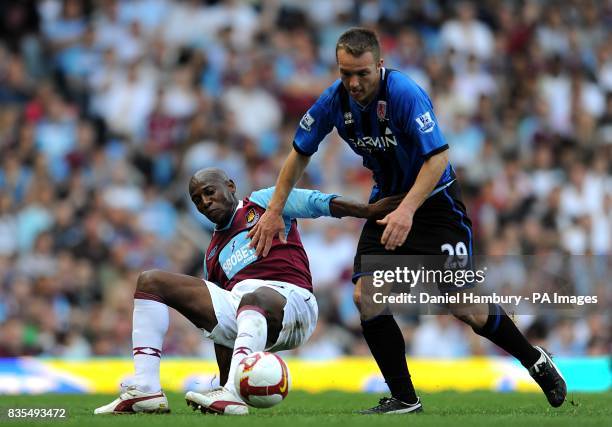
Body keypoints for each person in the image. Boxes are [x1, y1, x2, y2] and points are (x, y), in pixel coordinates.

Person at [248, 27, 566, 414]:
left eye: (362, 73)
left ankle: (534, 359)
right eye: (345, 73)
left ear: (379, 66)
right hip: (387, 206)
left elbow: (438, 159)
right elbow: (299, 153)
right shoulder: (333, 100)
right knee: (367, 298)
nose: (353, 82)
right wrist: (274, 210)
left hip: (435, 206)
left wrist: (408, 210)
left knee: (464, 307)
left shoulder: (404, 94)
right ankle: (404, 397)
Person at [94, 167, 402, 415]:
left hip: (294, 305)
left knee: (252, 296)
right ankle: (147, 389)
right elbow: (221, 326)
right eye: (197, 200)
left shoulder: (263, 202)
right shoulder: (212, 254)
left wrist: (366, 210)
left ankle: (232, 393)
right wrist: (224, 377)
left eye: (209, 192)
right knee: (150, 280)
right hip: (247, 314)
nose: (204, 202)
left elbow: (317, 203)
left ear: (230, 185)